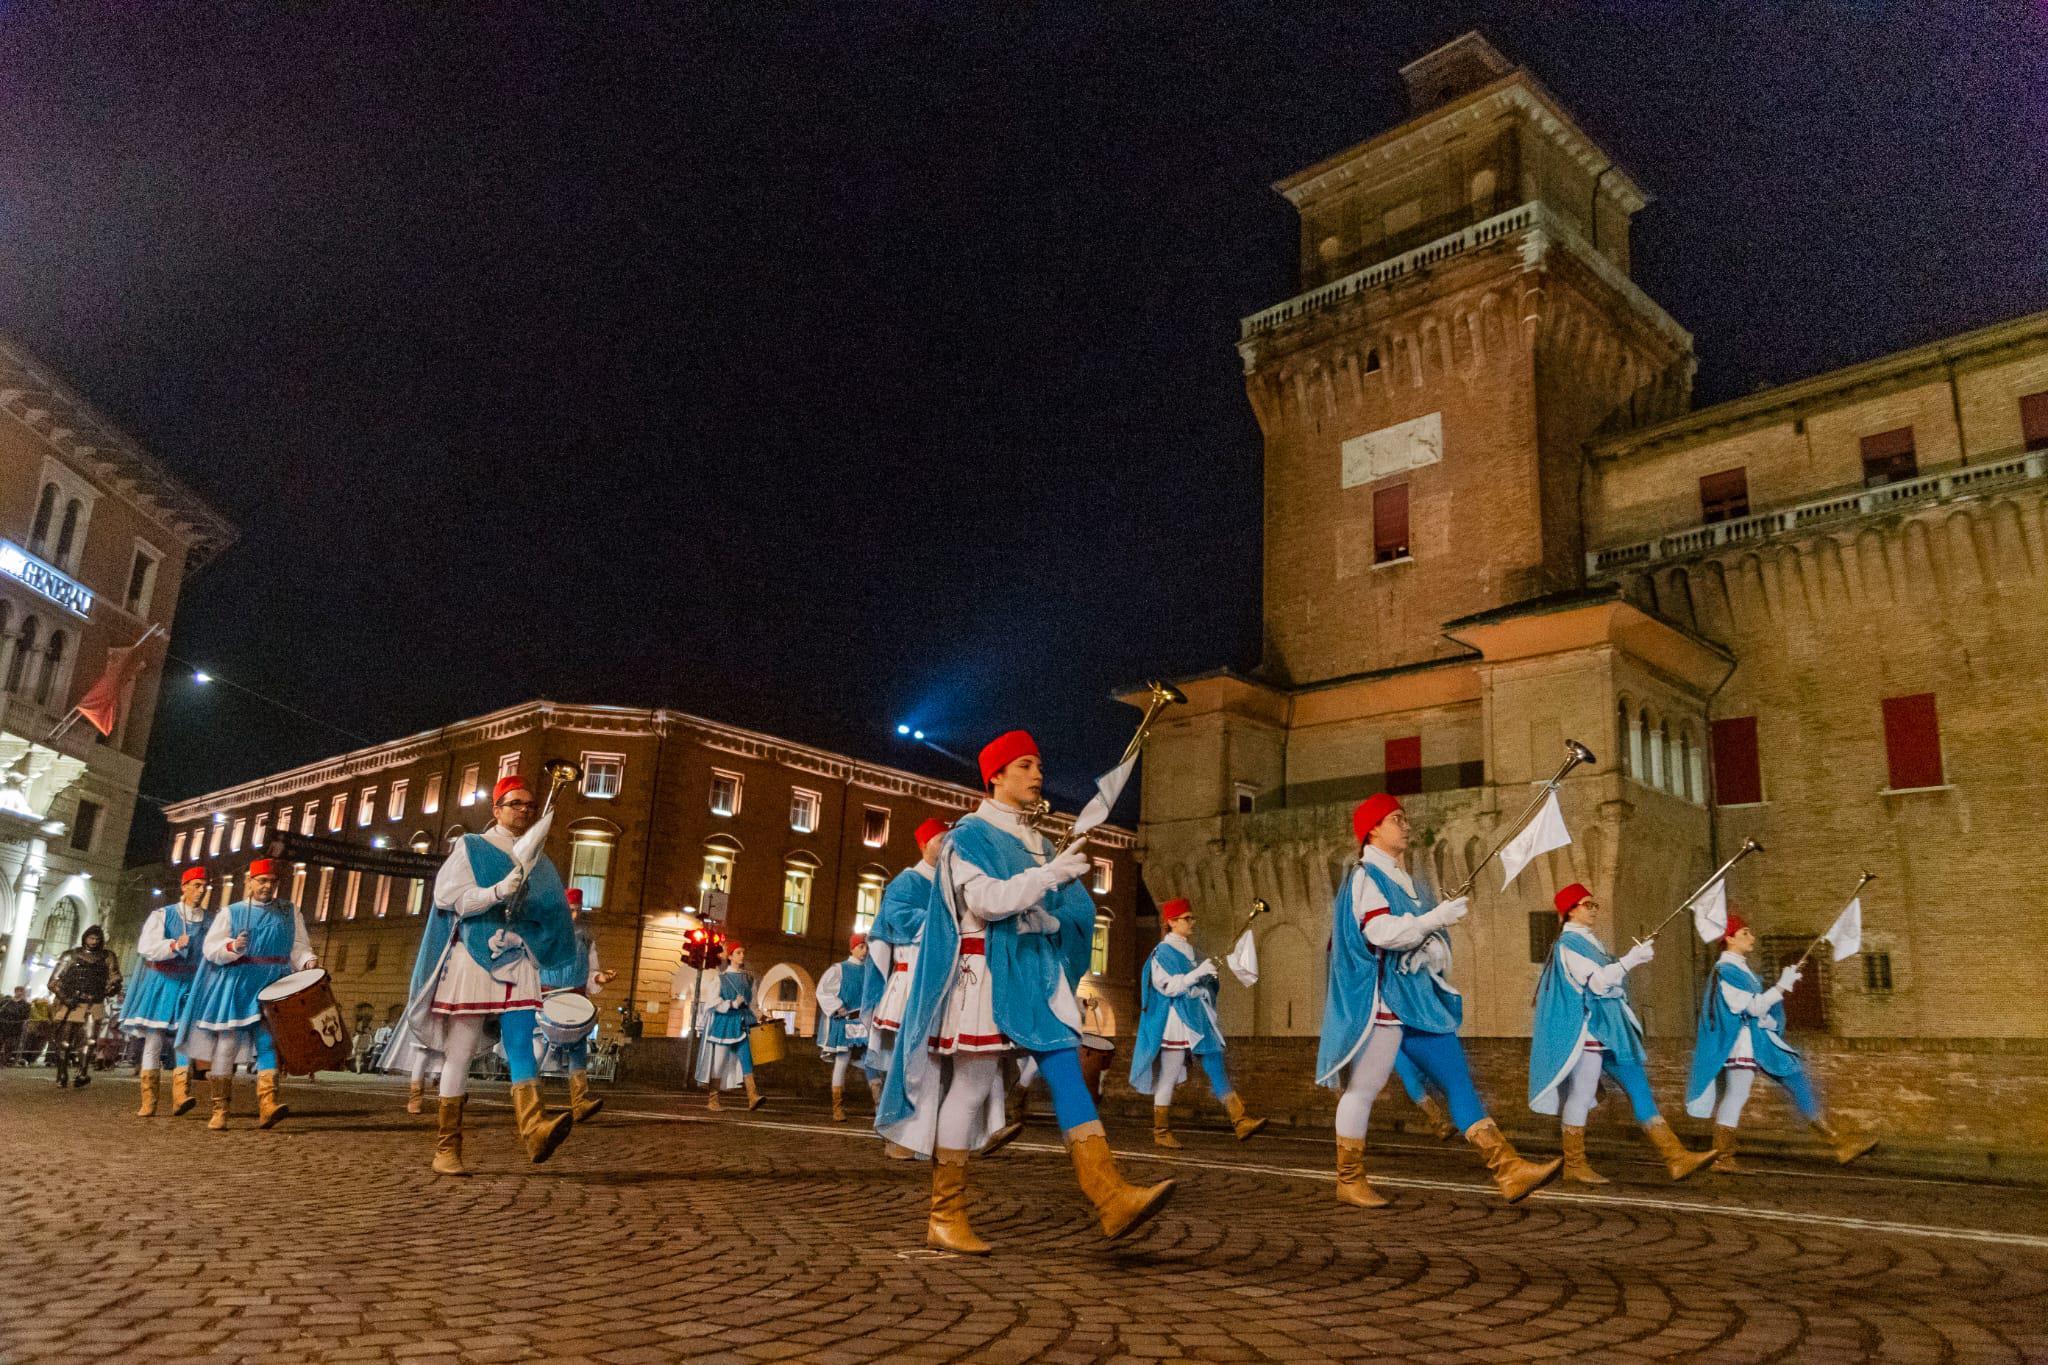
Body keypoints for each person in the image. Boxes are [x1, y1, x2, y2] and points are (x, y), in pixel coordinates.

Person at [878, 728, 1175, 1255]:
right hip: (985, 977)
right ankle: (945, 1215)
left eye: (1038, 765)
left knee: (1067, 1069)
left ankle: (1110, 1197)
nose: (1039, 775)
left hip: (1033, 974)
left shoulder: (1034, 841)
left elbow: (1036, 913)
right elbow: (988, 902)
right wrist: (1046, 880)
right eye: (1026, 766)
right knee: (969, 1088)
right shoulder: (966, 837)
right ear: (995, 776)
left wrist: (1053, 914)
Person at [1316, 793, 1562, 1208]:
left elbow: (1428, 939)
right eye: (1396, 818)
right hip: (1383, 1002)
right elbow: (1380, 933)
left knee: (1458, 1081)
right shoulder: (1365, 877)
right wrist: (1432, 920)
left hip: (1418, 1000)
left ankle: (1508, 1168)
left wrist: (1431, 947)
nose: (1406, 825)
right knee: (1364, 1089)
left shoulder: (1409, 882)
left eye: (1405, 818)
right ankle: (1349, 1178)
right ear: (1372, 829)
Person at [382, 774, 579, 1175]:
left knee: (521, 1041)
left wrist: (535, 932)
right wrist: (496, 893)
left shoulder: (540, 860)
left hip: (518, 957)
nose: (523, 810)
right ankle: (446, 1148)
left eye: (528, 804)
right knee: (461, 1052)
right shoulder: (471, 846)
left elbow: (549, 912)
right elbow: (447, 897)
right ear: (497, 808)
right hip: (475, 956)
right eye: (515, 803)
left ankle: (535, 1129)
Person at [1529, 884, 1713, 1183]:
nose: (1594, 909)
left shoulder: (1592, 943)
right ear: (1570, 910)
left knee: (1640, 1088)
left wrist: (1628, 961)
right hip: (1589, 1026)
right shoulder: (1568, 945)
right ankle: (1575, 1164)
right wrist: (1630, 960)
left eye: (1595, 904)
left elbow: (1612, 981)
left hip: (1612, 1027)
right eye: (1588, 904)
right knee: (1582, 1092)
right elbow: (1599, 983)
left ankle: (1675, 1157)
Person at [1686, 912, 1877, 1171]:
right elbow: (1751, 1008)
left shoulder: (1741, 969)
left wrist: (1775, 1001)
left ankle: (1838, 1142)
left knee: (1791, 1078)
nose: (1751, 937)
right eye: (1745, 933)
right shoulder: (1725, 971)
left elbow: (1758, 1010)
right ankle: (1723, 1156)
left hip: (1759, 1038)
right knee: (1737, 1095)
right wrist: (1780, 987)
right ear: (1729, 938)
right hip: (1743, 1042)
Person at [176, 859, 317, 1130]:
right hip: (238, 984)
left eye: (272, 881)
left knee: (267, 1044)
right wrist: (232, 945)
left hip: (273, 984)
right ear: (250, 882)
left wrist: (308, 961)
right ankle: (220, 1110)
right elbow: (210, 948)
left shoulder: (289, 911)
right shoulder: (231, 912)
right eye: (261, 881)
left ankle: (268, 1105)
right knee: (227, 1045)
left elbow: (299, 946)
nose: (267, 886)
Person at [1128, 898, 1267, 1148]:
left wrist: (1206, 983)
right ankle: (1160, 1131)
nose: (1192, 922)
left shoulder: (1192, 951)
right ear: (1171, 922)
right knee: (1169, 1074)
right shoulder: (1162, 952)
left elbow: (1197, 988)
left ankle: (1240, 1119)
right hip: (1175, 1018)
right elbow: (1168, 986)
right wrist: (1198, 974)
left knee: (1214, 1061)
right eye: (1186, 918)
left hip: (1196, 1016)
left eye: (1192, 918)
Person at [864, 819, 949, 1157]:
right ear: (924, 845)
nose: (945, 848)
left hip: (940, 976)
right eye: (940, 841)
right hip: (912, 975)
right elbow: (897, 918)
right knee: (908, 1056)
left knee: (937, 1059)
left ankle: (930, 1136)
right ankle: (898, 1130)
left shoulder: (949, 883)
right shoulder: (905, 882)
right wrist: (942, 921)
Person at [122, 867, 214, 1117]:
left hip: (191, 983)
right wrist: (173, 945)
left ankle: (181, 1095)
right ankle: (148, 1101)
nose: (200, 890)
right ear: (184, 887)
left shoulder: (210, 920)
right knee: (154, 1040)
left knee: (184, 1040)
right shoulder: (163, 915)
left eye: (204, 886)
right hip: (163, 981)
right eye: (195, 885)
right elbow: (147, 947)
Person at [539, 887, 614, 1122]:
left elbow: (592, 971)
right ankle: (531, 1105)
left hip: (577, 1000)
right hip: (546, 999)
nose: (573, 916)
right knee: (537, 1050)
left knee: (578, 1051)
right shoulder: (545, 934)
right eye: (570, 910)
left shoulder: (585, 938)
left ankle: (579, 1102)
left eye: (577, 910)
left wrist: (601, 978)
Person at [49, 924, 123, 1089]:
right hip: (72, 1002)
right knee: (65, 1042)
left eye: (97, 939)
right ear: (85, 938)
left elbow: (115, 977)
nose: (93, 942)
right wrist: (66, 998)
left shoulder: (107, 956)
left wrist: (113, 986)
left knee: (90, 1040)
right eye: (91, 938)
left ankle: (82, 1073)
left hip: (94, 1002)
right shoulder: (71, 955)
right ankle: (62, 1073)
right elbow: (54, 981)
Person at [816, 934, 878, 1121]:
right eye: (860, 947)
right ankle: (837, 1107)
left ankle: (879, 1104)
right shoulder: (839, 969)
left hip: (863, 1023)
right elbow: (823, 991)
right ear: (852, 948)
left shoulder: (870, 970)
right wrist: (837, 1006)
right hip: (845, 1023)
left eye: (866, 947)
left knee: (871, 1061)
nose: (864, 950)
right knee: (842, 1062)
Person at [696, 943, 765, 1110]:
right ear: (730, 957)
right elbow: (712, 1002)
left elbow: (752, 1003)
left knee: (747, 1059)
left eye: (743, 952)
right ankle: (713, 1100)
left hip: (742, 1023)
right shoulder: (720, 979)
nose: (742, 955)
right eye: (738, 953)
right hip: (724, 1025)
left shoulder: (748, 979)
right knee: (719, 1063)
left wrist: (759, 1014)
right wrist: (732, 1003)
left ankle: (752, 1096)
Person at [0, 986, 29, 1067]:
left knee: (9, 1046)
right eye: (17, 991)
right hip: (2, 1026)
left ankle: (3, 1062)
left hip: (15, 1028)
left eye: (21, 991)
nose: (19, 992)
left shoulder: (25, 1004)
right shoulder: (6, 1001)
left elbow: (25, 1016)